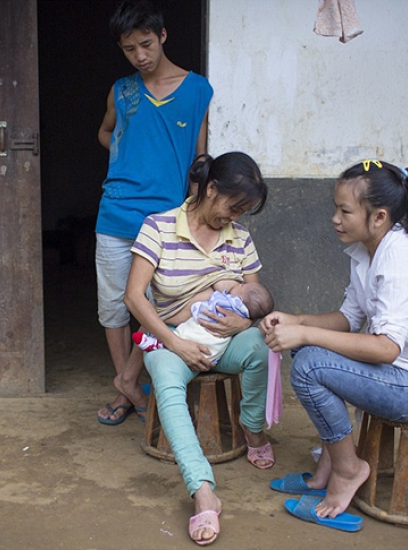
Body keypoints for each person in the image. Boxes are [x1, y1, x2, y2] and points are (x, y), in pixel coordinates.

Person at [262, 159, 408, 530]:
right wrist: (296, 321)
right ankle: (327, 468)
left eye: (345, 211)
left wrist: (306, 334)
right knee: (307, 352)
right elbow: (347, 318)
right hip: (406, 377)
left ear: (379, 217)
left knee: (310, 364)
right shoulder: (368, 251)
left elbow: (387, 348)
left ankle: (347, 469)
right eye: (336, 209)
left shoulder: (398, 258)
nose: (335, 219)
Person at [124, 152, 273, 546]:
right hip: (173, 335)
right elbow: (134, 297)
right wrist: (175, 342)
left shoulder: (240, 238)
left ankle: (252, 427)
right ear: (211, 189)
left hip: (226, 338)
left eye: (243, 211)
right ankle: (203, 490)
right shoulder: (158, 227)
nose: (234, 217)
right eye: (232, 206)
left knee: (261, 346)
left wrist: (243, 324)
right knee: (166, 380)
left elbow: (254, 297)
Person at [95, 0, 214, 425]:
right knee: (113, 306)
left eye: (146, 44)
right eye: (129, 49)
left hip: (165, 219)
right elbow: (105, 132)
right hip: (115, 213)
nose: (140, 56)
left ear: (162, 36)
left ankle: (130, 379)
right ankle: (126, 389)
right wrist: (125, 154)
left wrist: (196, 210)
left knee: (157, 304)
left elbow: (200, 159)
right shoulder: (121, 90)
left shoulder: (196, 90)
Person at [132, 280, 275, 362]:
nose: (239, 284)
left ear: (240, 299)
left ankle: (157, 344)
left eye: (241, 286)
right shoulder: (246, 308)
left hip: (200, 333)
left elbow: (208, 306)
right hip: (216, 349)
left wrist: (196, 307)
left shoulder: (228, 301)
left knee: (185, 334)